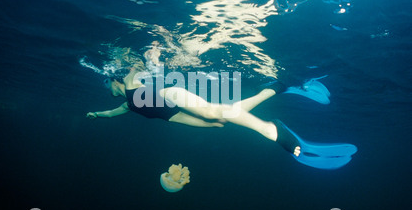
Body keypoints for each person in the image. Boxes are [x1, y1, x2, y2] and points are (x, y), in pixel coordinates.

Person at [86, 67, 302, 157]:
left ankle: (270, 128)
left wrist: (151, 53)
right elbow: (111, 113)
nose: (106, 87)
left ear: (114, 79)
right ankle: (272, 89)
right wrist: (96, 114)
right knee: (219, 121)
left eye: (106, 82)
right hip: (173, 115)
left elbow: (137, 65)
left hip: (172, 96)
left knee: (212, 112)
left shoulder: (128, 81)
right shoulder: (127, 105)